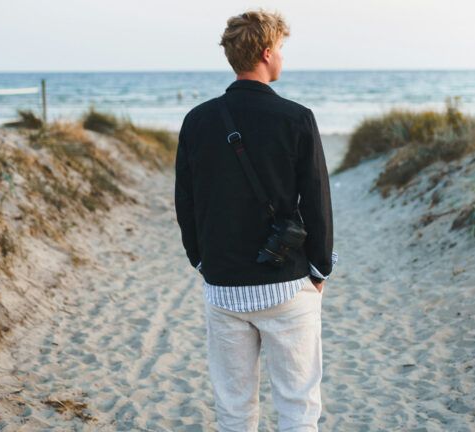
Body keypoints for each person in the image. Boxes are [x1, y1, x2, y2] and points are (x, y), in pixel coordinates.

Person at [174, 9, 337, 431]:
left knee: (234, 408)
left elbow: (186, 203)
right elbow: (317, 201)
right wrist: (320, 268)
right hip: (286, 284)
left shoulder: (197, 120)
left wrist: (202, 262)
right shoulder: (298, 118)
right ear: (266, 52)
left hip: (224, 288)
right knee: (298, 405)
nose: (282, 56)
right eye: (281, 48)